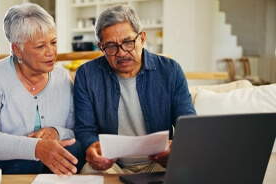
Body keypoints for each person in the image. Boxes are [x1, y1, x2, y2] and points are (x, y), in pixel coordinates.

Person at [0, 3, 85, 176]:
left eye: (54, 42)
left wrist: (57, 132)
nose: (51, 52)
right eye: (40, 46)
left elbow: (74, 129)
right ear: (17, 49)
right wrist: (36, 148)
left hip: (37, 162)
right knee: (29, 159)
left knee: (75, 146)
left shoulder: (63, 78)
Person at [74, 4, 196, 174]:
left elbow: (188, 125)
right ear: (101, 47)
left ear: (142, 38)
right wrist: (91, 148)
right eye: (110, 46)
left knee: (193, 170)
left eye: (128, 42)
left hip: (160, 162)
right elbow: (85, 129)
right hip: (112, 165)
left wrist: (177, 148)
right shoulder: (86, 75)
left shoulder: (170, 70)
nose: (121, 53)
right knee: (88, 172)